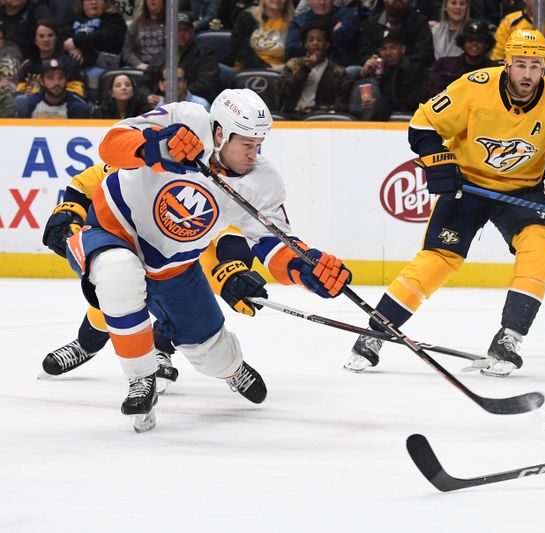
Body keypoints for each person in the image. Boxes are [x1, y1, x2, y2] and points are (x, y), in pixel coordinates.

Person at [65, 88, 352, 430]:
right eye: (247, 144)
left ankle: (231, 369)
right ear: (219, 133)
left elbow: (273, 244)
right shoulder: (183, 119)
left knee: (213, 354)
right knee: (117, 273)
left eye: (259, 145)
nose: (253, 154)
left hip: (175, 267)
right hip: (113, 228)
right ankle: (142, 379)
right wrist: (154, 147)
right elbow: (112, 142)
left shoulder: (263, 183)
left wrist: (305, 268)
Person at [345, 29, 545, 377]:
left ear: (544, 68)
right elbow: (422, 126)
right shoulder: (474, 86)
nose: (527, 74)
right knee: (438, 260)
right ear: (507, 63)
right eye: (521, 64)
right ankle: (375, 332)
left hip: (521, 192)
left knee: (542, 249)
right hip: (466, 187)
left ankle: (509, 339)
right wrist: (440, 162)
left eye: (535, 66)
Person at [40, 163, 179, 393]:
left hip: (172, 252)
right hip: (129, 244)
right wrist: (68, 213)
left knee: (174, 299)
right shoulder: (134, 160)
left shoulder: (188, 172)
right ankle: (87, 344)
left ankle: (160, 349)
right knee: (115, 293)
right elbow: (82, 185)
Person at [277, 18, 352, 117]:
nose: (315, 43)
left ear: (327, 44)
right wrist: (304, 70)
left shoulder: (338, 72)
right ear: (305, 45)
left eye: (320, 40)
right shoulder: (293, 64)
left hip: (322, 118)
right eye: (310, 40)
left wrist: (317, 110)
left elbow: (341, 106)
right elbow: (282, 93)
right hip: (292, 116)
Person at [354, 28, 428, 120]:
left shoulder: (415, 70)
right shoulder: (375, 69)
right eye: (383, 49)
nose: (388, 53)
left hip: (408, 118)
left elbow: (419, 101)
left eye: (393, 47)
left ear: (402, 49)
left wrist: (379, 102)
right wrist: (363, 73)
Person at [59, 0, 127, 97]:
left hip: (103, 68)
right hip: (72, 70)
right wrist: (71, 48)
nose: (94, 2)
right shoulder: (71, 18)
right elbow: (59, 36)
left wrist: (75, 41)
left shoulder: (114, 19)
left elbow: (106, 37)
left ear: (105, 2)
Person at [16, 20, 86, 98]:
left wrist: (42, 92)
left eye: (50, 35)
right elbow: (18, 92)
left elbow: (78, 93)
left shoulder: (68, 63)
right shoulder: (28, 65)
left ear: (56, 39)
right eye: (41, 36)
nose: (46, 40)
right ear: (35, 41)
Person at [427, 18, 497, 96]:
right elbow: (434, 95)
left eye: (479, 40)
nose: (474, 43)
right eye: (470, 40)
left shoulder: (495, 70)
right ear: (463, 43)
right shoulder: (444, 65)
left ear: (487, 44)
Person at [357, 0, 435, 68]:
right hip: (379, 72)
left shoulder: (420, 22)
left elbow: (424, 54)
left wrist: (400, 63)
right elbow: (365, 52)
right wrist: (374, 61)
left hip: (411, 74)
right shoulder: (370, 24)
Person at [287, 0, 360, 66]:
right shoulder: (299, 21)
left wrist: (309, 43)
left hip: (341, 69)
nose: (322, 2)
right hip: (307, 70)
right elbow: (291, 50)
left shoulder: (347, 15)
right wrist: (332, 33)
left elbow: (342, 38)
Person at [230, 0, 294, 70]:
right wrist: (265, 68)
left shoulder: (295, 22)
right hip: (247, 69)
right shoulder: (247, 16)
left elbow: (296, 56)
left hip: (282, 72)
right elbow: (240, 49)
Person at [17, 57, 90, 118]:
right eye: (50, 78)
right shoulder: (29, 104)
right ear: (41, 81)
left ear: (66, 80)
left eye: (61, 78)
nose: (56, 83)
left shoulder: (78, 107)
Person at [122, 0, 165, 74]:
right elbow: (126, 52)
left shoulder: (171, 22)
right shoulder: (136, 24)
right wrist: (138, 64)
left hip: (164, 69)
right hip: (141, 69)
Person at [146, 65, 211, 111]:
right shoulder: (160, 107)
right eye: (169, 80)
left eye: (178, 80)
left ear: (185, 83)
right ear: (161, 85)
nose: (174, 84)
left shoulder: (201, 105)